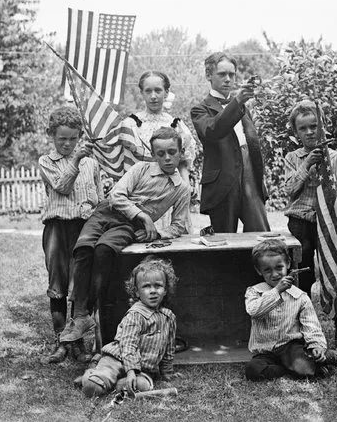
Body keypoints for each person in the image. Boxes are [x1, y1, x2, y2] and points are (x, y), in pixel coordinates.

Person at [59, 127, 191, 347]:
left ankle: (86, 311)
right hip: (106, 212)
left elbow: (178, 226)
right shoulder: (141, 169)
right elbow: (116, 195)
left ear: (181, 151)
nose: (167, 158)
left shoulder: (181, 189)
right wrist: (143, 215)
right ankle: (81, 315)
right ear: (153, 153)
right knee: (83, 248)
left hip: (129, 225)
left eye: (172, 152)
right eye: (160, 153)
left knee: (104, 250)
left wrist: (155, 232)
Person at [283, 99, 337, 349]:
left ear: (322, 126)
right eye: (303, 128)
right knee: (301, 280)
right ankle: (303, 332)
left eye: (314, 126)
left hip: (329, 228)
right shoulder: (293, 159)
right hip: (300, 226)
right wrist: (306, 165)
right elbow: (290, 190)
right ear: (296, 133)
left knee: (335, 276)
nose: (309, 132)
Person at [38, 105, 104, 364]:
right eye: (62, 138)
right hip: (57, 229)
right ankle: (60, 343)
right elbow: (62, 187)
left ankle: (75, 343)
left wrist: (95, 203)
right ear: (52, 136)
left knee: (79, 286)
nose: (67, 143)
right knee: (58, 285)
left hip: (83, 229)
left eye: (73, 138)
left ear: (80, 137)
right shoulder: (47, 161)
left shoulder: (92, 163)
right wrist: (75, 160)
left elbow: (98, 197)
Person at [244, 239, 337, 381]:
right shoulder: (254, 292)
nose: (275, 274)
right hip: (265, 351)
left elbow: (311, 326)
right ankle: (295, 370)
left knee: (302, 366)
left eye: (279, 268)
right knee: (253, 370)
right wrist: (277, 291)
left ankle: (327, 356)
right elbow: (254, 311)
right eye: (268, 270)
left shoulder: (300, 296)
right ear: (259, 270)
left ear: (288, 264)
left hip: (290, 347)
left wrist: (317, 345)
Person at [77, 256, 179, 397]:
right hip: (117, 359)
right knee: (93, 387)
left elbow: (169, 349)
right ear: (137, 292)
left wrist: (167, 373)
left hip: (143, 368)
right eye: (146, 286)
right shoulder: (135, 315)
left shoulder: (169, 317)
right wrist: (131, 371)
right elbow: (128, 345)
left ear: (166, 290)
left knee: (142, 385)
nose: (153, 291)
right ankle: (93, 374)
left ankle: (117, 383)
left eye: (158, 286)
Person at [191, 52, 270, 233]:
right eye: (222, 74)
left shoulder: (243, 108)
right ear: (208, 75)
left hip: (250, 178)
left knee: (262, 236)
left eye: (231, 74)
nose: (228, 79)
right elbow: (212, 131)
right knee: (224, 241)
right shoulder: (199, 110)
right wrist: (238, 101)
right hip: (221, 185)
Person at [124, 71, 197, 231]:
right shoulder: (131, 124)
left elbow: (183, 163)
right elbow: (127, 167)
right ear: (141, 93)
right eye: (148, 91)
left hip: (171, 193)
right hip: (142, 195)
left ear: (166, 92)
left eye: (158, 90)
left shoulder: (176, 124)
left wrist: (185, 191)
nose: (153, 96)